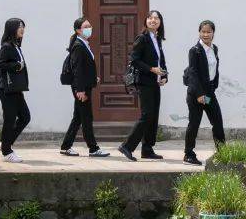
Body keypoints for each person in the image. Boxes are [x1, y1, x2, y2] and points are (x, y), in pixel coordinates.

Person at [118, 10, 167, 162]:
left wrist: (164, 76)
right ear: (146, 21)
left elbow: (161, 62)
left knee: (154, 116)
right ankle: (127, 146)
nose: (153, 20)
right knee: (147, 115)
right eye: (150, 18)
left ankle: (147, 148)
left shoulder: (157, 39)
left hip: (154, 82)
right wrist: (152, 69)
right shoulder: (143, 38)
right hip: (144, 82)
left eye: (156, 18)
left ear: (160, 22)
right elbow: (134, 60)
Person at [60, 18, 109, 157]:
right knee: (86, 117)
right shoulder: (78, 46)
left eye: (89, 25)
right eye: (85, 26)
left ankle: (65, 146)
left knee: (78, 117)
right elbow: (77, 70)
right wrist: (79, 90)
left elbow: (85, 68)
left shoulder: (83, 44)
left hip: (84, 86)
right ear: (78, 30)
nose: (89, 28)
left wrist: (93, 78)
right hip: (81, 89)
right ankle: (93, 148)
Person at [183, 20, 225, 165]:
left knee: (217, 122)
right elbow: (193, 73)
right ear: (199, 32)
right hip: (196, 94)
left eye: (209, 31)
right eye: (203, 31)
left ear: (213, 33)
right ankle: (188, 154)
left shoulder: (215, 49)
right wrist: (200, 94)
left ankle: (222, 153)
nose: (206, 34)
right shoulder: (195, 50)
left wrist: (213, 87)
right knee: (194, 123)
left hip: (209, 93)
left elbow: (214, 69)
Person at [0, 18, 30, 163]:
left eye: (23, 26)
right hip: (7, 90)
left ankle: (6, 142)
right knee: (9, 119)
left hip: (16, 89)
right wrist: (16, 65)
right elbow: (0, 65)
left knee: (25, 117)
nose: (22, 29)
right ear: (11, 29)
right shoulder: (7, 46)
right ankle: (7, 151)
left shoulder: (16, 45)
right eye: (19, 26)